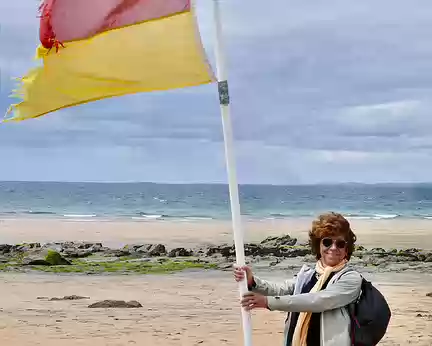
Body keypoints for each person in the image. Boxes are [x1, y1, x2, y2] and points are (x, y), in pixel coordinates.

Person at [234, 212, 362, 346]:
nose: (333, 248)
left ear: (347, 249)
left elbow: (318, 301)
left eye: (340, 244)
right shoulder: (308, 275)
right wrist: (252, 281)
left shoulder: (351, 278)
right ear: (319, 245)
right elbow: (282, 289)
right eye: (327, 242)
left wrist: (268, 302)